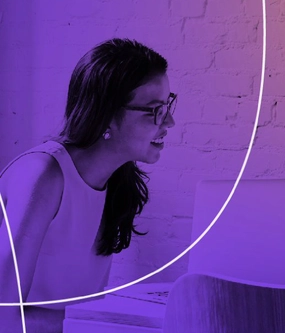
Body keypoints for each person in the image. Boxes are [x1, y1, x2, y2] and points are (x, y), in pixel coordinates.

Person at [0, 38, 176, 332]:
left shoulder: (117, 180)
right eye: (154, 109)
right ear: (105, 114)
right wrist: (103, 323)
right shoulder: (42, 175)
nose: (169, 121)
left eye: (168, 105)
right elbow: (2, 314)